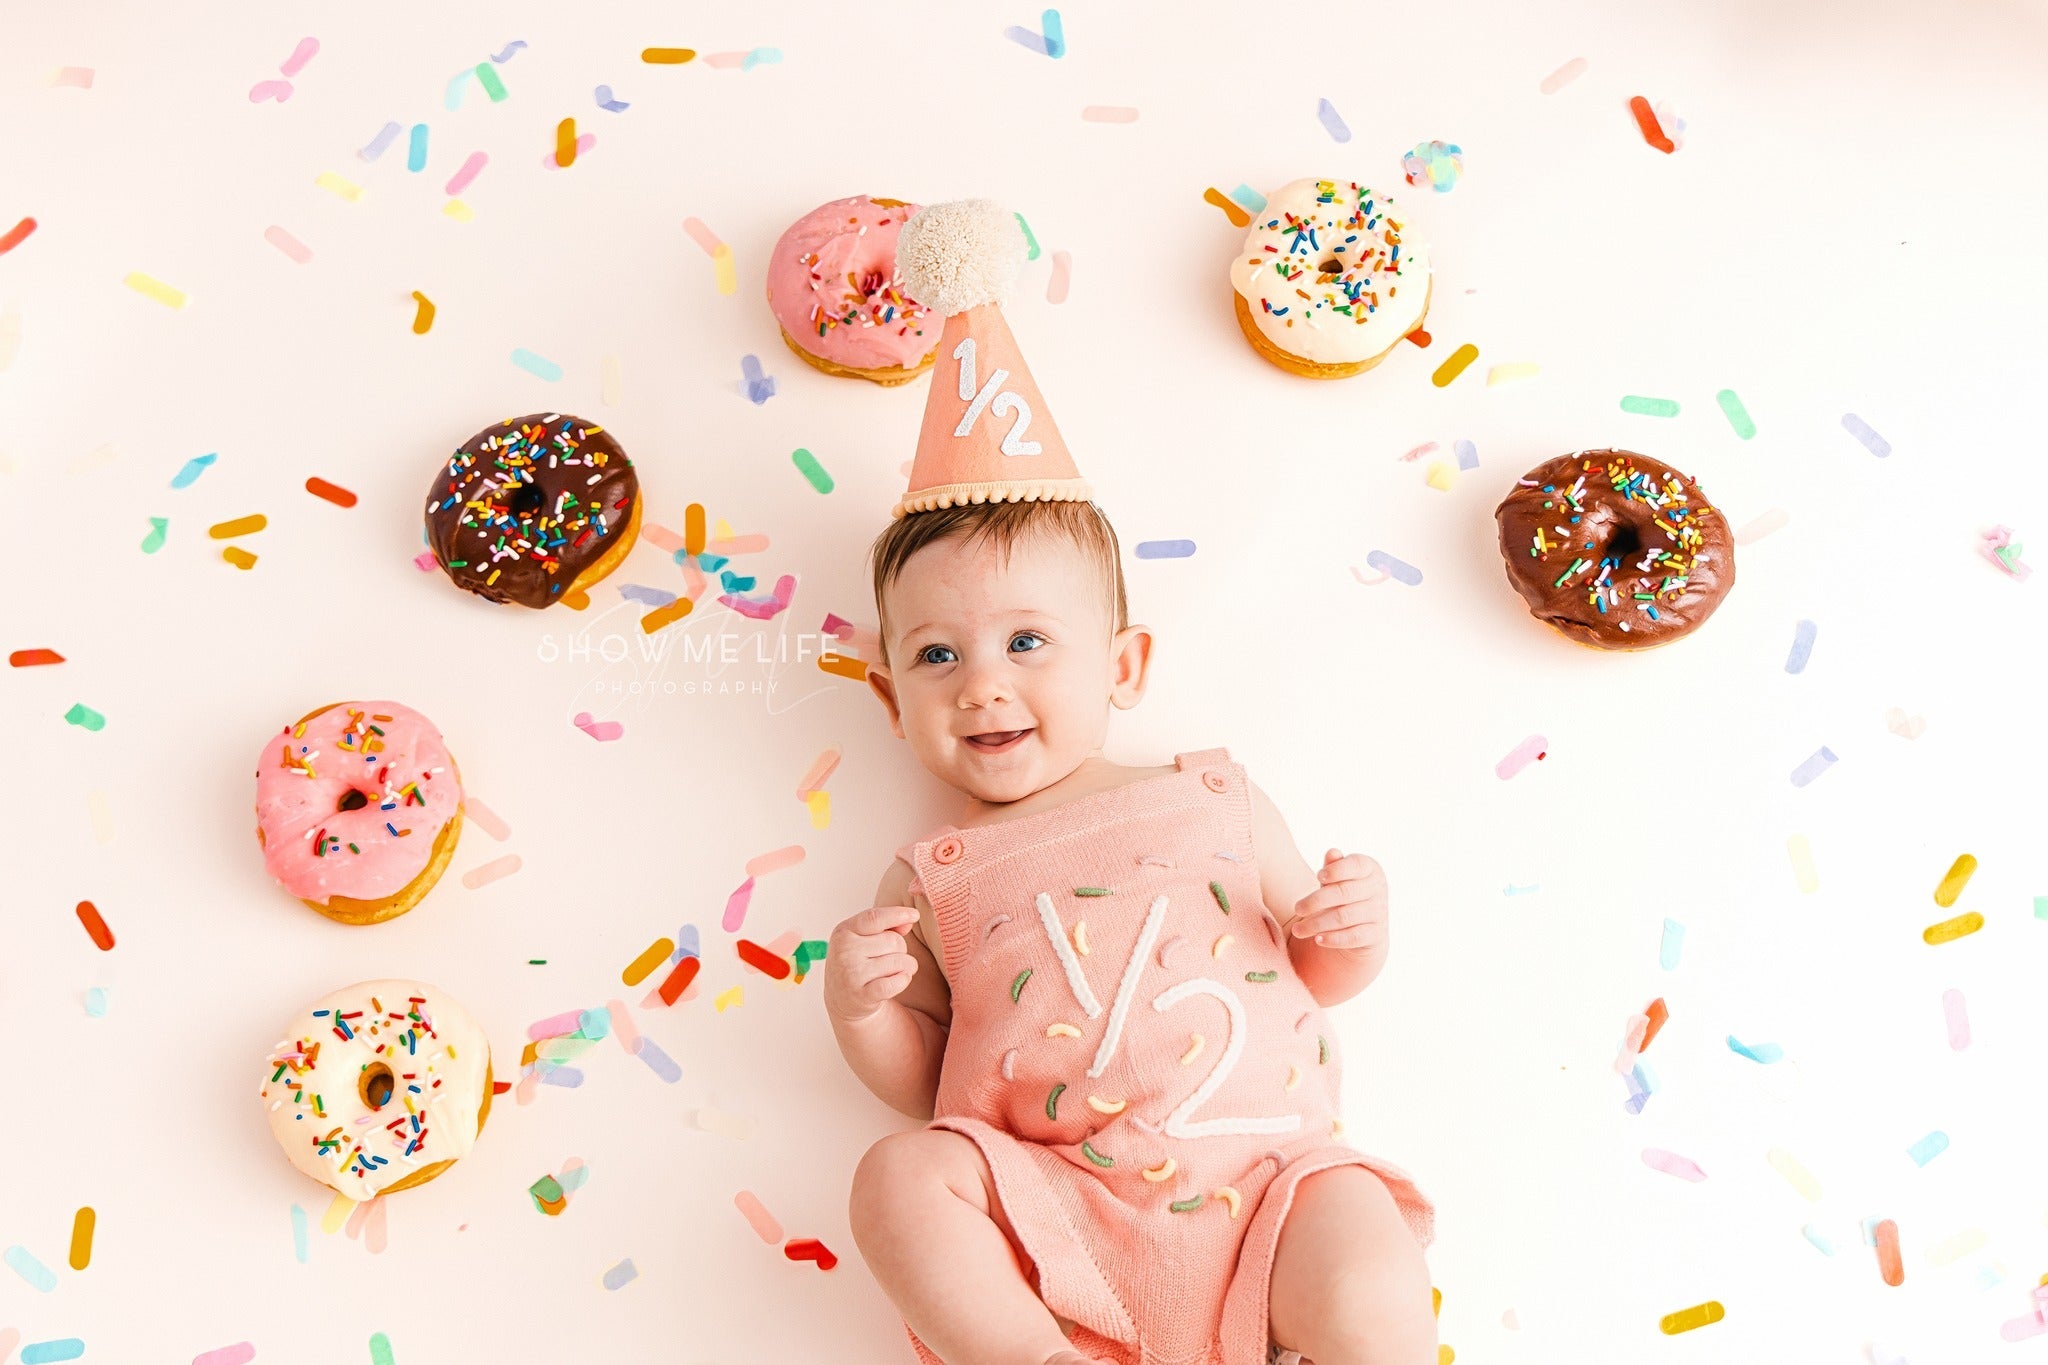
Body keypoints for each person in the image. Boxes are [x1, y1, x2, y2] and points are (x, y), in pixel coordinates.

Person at [824, 201, 1435, 1365]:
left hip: (1267, 1189)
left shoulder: (1211, 800)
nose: (980, 688)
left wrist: (1351, 929)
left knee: (1364, 1266)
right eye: (936, 657)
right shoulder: (928, 875)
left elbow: (1318, 974)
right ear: (890, 699)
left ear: (1124, 665)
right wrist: (861, 1008)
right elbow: (917, 1084)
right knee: (899, 1180)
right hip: (1057, 1213)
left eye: (1027, 644)